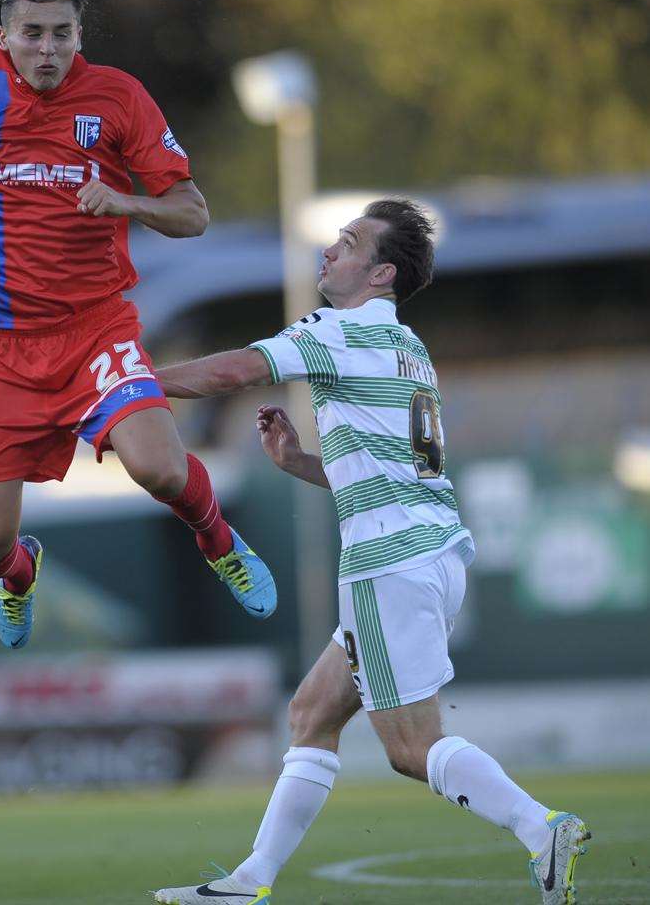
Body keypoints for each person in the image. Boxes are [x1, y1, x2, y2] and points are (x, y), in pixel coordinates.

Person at [151, 199, 589, 905]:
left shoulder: (335, 330)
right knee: (312, 713)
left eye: (348, 244)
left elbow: (235, 371)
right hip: (428, 548)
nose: (328, 251)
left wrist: (131, 379)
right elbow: (391, 467)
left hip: (388, 561)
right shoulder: (407, 348)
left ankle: (540, 827)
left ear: (380, 272)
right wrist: (297, 461)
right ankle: (250, 880)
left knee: (410, 747)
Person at [0, 0, 275, 650]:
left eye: (61, 33)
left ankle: (218, 539)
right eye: (32, 34)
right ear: (4, 38)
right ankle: (21, 573)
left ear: (78, 35)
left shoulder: (118, 97)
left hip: (95, 331)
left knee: (159, 468)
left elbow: (192, 213)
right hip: (0, 350)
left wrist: (128, 202)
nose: (47, 48)